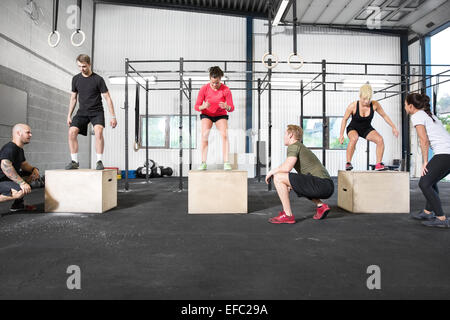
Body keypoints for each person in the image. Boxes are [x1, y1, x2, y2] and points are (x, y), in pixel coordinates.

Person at [266, 125, 334, 224]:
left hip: (321, 184)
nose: (284, 137)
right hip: (326, 186)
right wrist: (289, 184)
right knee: (291, 180)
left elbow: (286, 168)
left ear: (290, 135)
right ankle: (321, 206)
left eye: (285, 134)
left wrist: (271, 171)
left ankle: (287, 215)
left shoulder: (294, 146)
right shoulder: (299, 146)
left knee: (278, 177)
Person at [405, 93, 450, 228]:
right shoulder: (428, 115)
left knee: (424, 183)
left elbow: (423, 140)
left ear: (411, 106)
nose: (405, 107)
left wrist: (425, 161)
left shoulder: (417, 115)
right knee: (431, 180)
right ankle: (427, 212)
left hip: (445, 153)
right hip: (446, 153)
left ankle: (441, 218)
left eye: (405, 105)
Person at [66, 54, 117, 170]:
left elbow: (108, 98)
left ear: (89, 64)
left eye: (83, 66)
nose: (81, 69)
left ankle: (99, 161)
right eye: (79, 66)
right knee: (71, 132)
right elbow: (73, 98)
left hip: (97, 112)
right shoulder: (75, 79)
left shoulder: (98, 79)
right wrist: (69, 115)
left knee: (98, 132)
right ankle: (74, 161)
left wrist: (113, 116)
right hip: (82, 112)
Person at [339, 84, 399, 171]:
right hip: (353, 128)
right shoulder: (353, 106)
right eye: (364, 99)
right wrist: (341, 135)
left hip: (366, 128)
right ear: (360, 96)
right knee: (354, 138)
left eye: (368, 99)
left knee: (380, 140)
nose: (366, 101)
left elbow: (384, 115)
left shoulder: (375, 105)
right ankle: (348, 163)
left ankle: (378, 164)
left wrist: (393, 127)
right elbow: (344, 119)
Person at [194, 66, 235, 170]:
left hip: (220, 114)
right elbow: (196, 106)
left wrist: (226, 106)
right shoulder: (204, 89)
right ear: (210, 79)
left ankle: (226, 162)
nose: (214, 85)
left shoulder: (226, 90)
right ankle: (203, 162)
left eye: (216, 82)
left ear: (220, 79)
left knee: (225, 136)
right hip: (207, 114)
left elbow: (231, 108)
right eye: (212, 82)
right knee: (204, 136)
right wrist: (203, 106)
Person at [0, 124, 40, 212]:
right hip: (1, 180)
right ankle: (18, 196)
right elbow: (5, 166)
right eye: (28, 132)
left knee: (30, 175)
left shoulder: (19, 149)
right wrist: (22, 183)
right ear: (18, 133)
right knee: (20, 192)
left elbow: (24, 165)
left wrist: (34, 170)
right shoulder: (10, 148)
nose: (30, 135)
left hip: (8, 179)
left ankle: (17, 205)